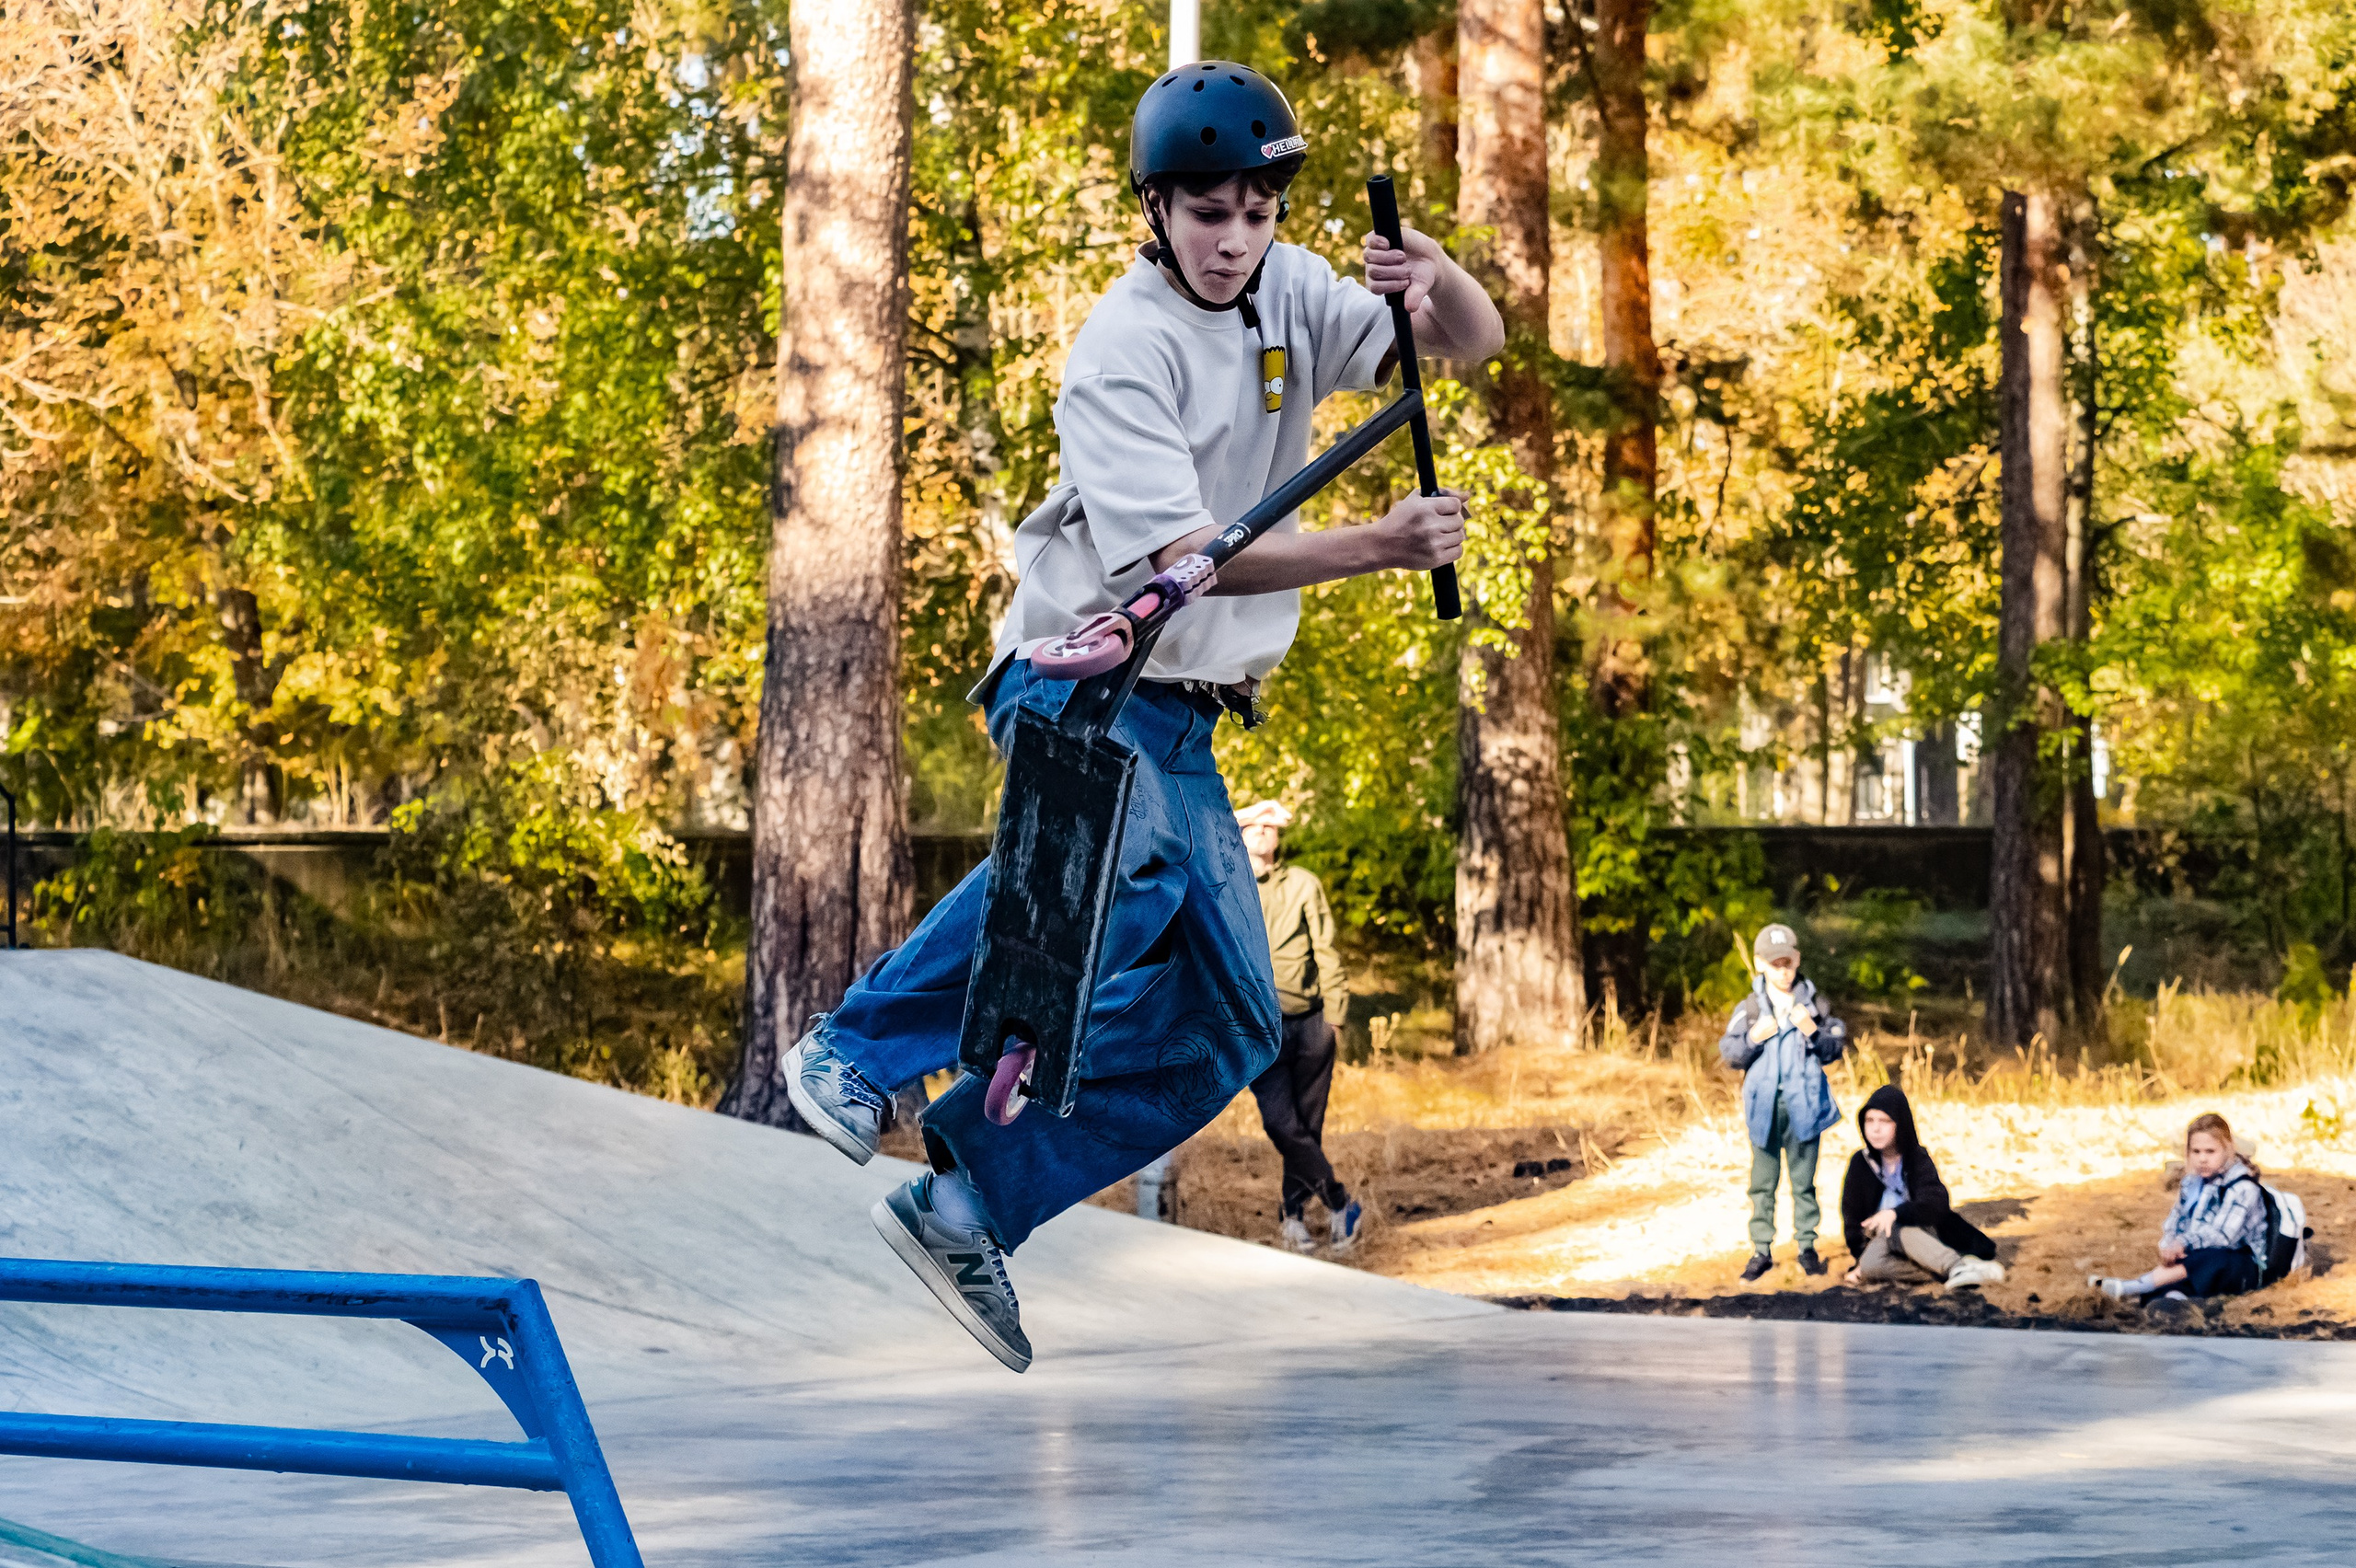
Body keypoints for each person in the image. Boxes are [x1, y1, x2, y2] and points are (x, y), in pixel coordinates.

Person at [776, 63, 1505, 1373]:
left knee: (1234, 1019)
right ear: (1155, 208)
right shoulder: (1122, 349)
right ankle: (852, 1046)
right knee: (1116, 864)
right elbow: (1186, 557)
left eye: (1255, 214)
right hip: (1083, 675)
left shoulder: (1290, 293)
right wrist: (1378, 547)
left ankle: (967, 1200)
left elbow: (1469, 343)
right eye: (1205, 215)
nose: (1232, 242)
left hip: (1187, 719)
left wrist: (1430, 274)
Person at [1234, 800, 1362, 1255]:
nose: (1266, 832)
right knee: (1281, 1124)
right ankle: (1340, 1202)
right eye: (1256, 826)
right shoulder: (1228, 885)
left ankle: (1293, 1219)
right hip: (1257, 1028)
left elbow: (1326, 949)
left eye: (1272, 827)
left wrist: (1336, 1015)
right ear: (1243, 831)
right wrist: (1251, 811)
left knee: (1308, 1125)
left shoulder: (1304, 884)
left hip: (1311, 1022)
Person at [1718, 924, 1848, 1281]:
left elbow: (1835, 1048)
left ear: (1798, 960)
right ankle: (1761, 1250)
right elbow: (1729, 1053)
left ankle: (1807, 1247)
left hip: (1805, 1106)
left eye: (1788, 962)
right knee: (1762, 1183)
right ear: (1760, 964)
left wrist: (1813, 1031)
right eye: (1775, 964)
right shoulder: (1749, 1008)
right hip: (1763, 1108)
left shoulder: (1815, 1004)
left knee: (1804, 1183)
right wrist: (1752, 1039)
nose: (1783, 971)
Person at [1838, 1083, 2005, 1290]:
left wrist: (1896, 1213)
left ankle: (1954, 1266)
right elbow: (1851, 1218)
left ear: (1900, 1124)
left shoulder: (1917, 1158)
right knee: (1870, 1267)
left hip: (1924, 1234)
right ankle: (1963, 1268)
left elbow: (1936, 1203)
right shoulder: (1860, 1163)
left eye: (1884, 1121)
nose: (1875, 1128)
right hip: (1879, 1241)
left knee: (1897, 1227)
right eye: (1869, 1120)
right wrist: (1859, 1262)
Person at [2093, 1113, 2269, 1304]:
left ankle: (2134, 1288)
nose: (2202, 1159)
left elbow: (2225, 1237)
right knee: (2187, 1265)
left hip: (2240, 1264)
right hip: (2196, 1257)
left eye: (2210, 1152)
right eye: (2196, 1151)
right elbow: (2176, 1221)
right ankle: (2174, 1301)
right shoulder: (2192, 1184)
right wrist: (2169, 1247)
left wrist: (2183, 1243)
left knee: (2209, 1259)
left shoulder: (2243, 1187)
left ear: (2227, 1150)